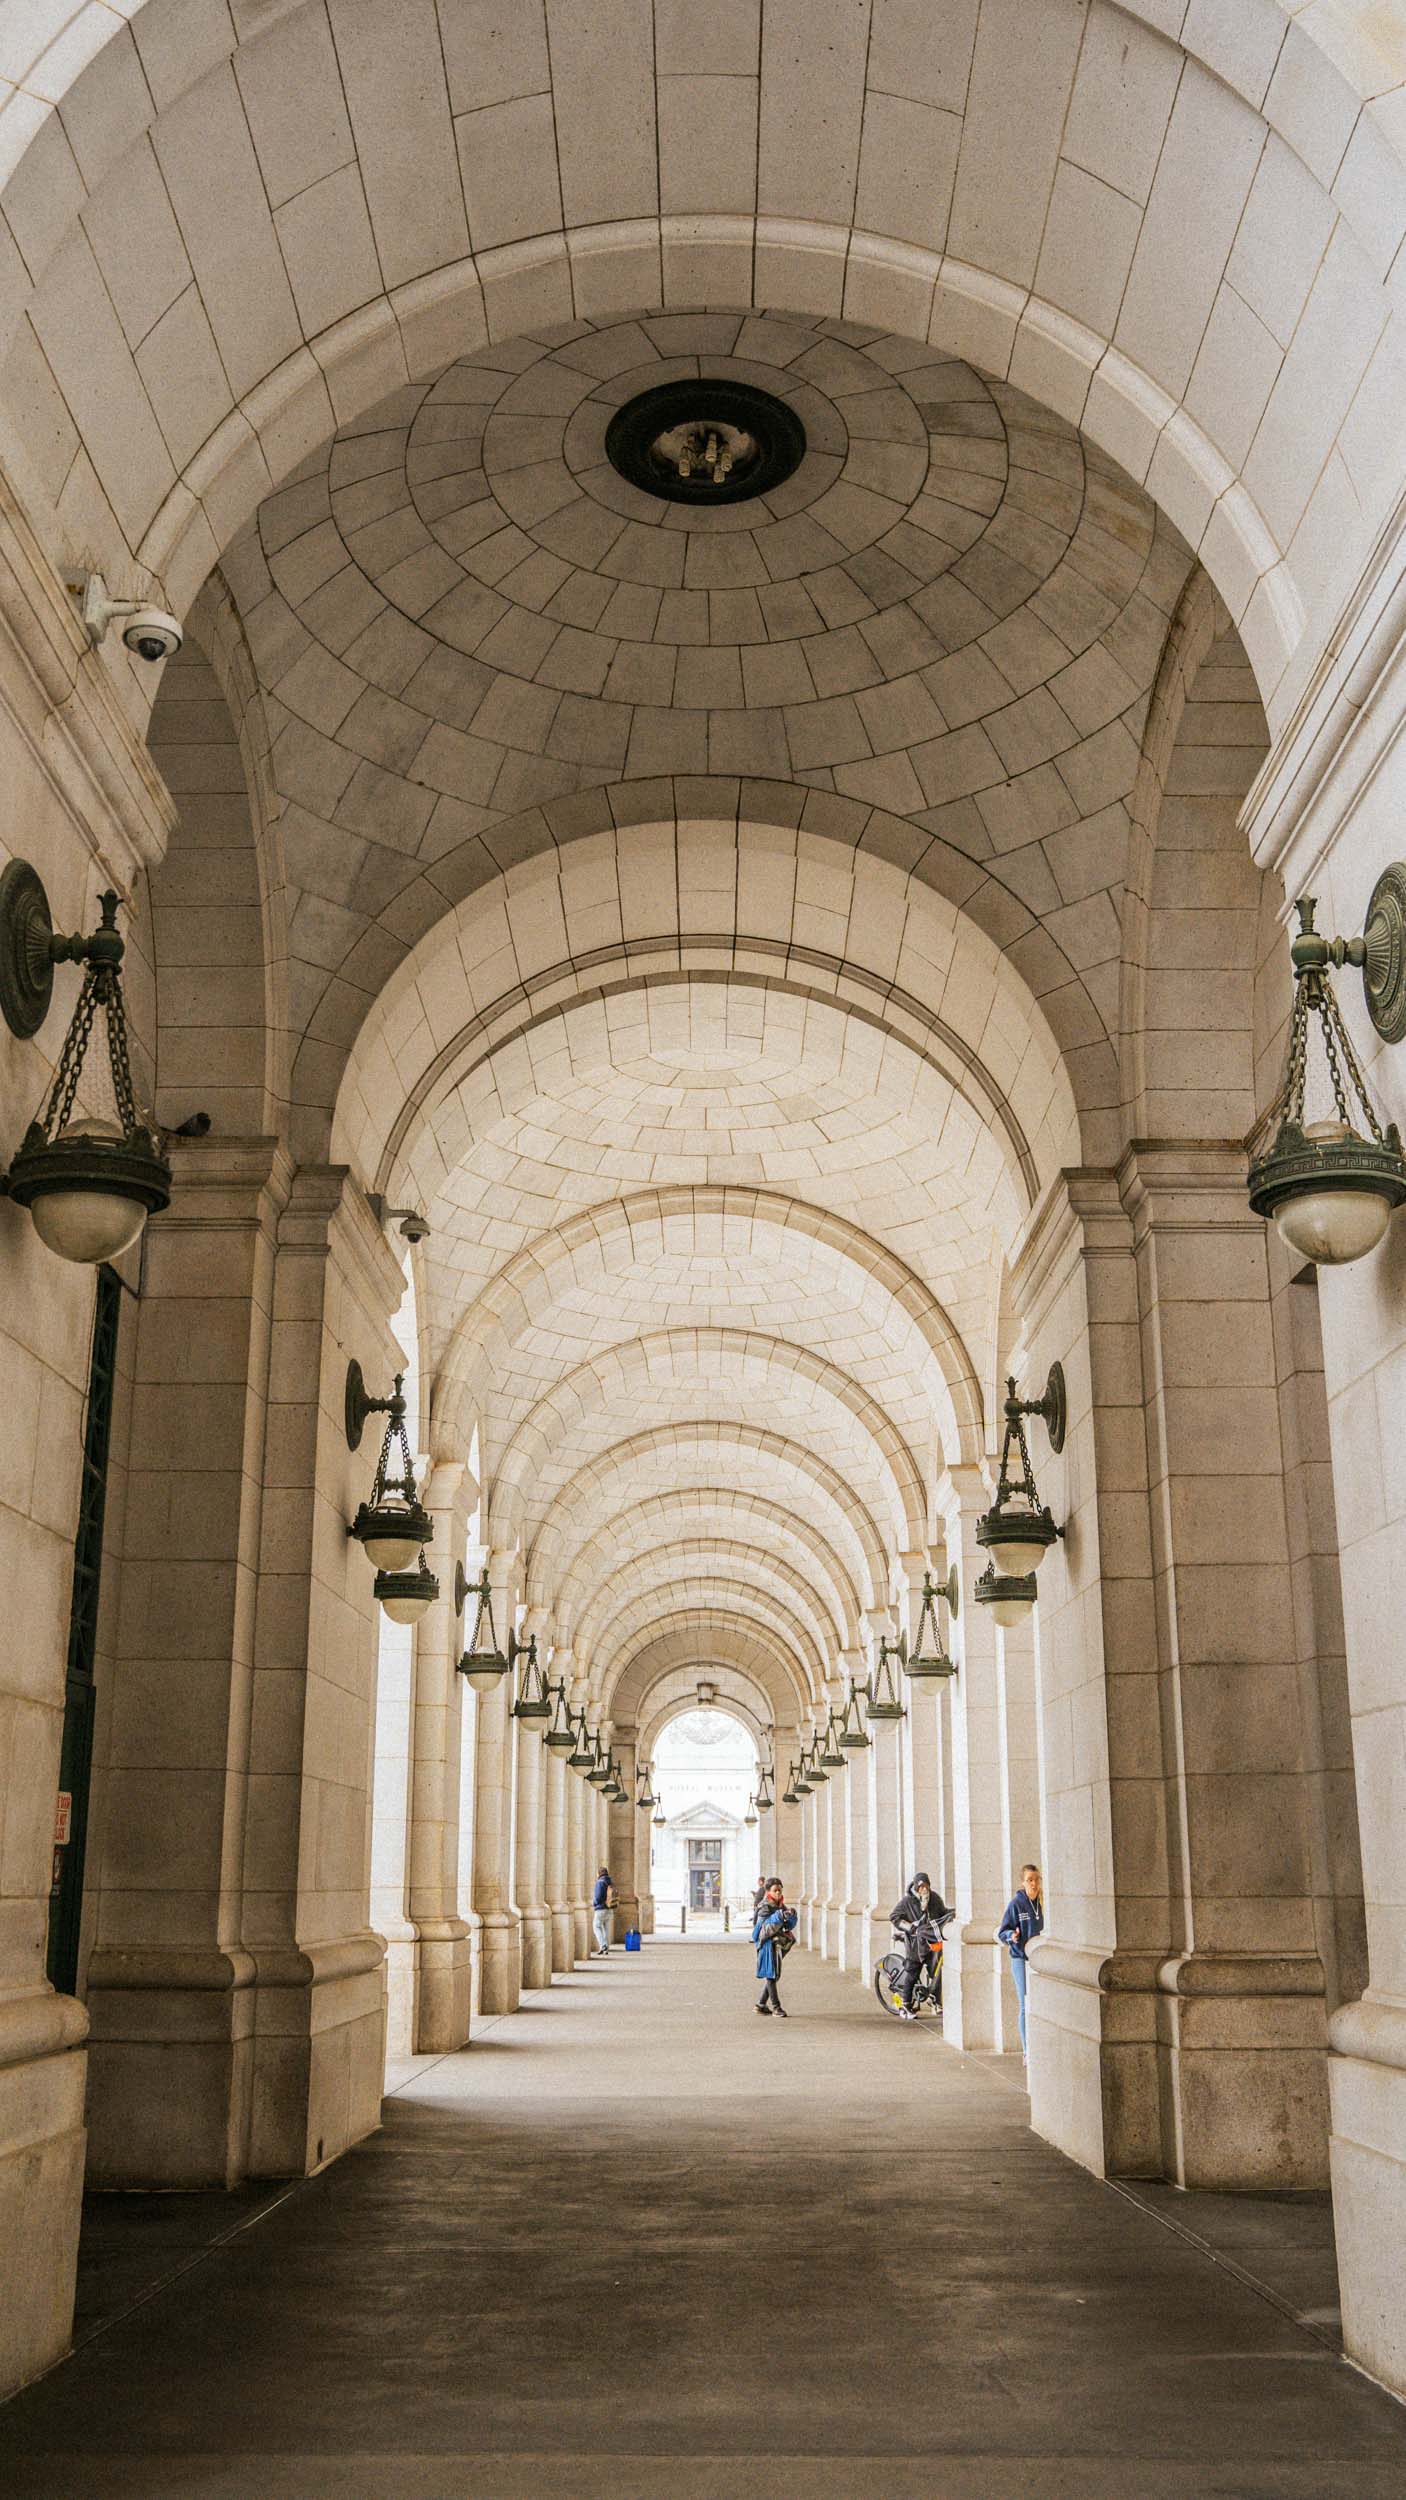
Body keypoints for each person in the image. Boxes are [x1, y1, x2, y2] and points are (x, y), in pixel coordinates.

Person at [997, 1863, 1044, 2058]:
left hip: (1039, 1960)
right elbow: (1002, 1932)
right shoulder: (1016, 1904)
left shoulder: (1043, 1903)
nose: (1033, 1884)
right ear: (1022, 1882)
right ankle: (1027, 2050)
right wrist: (1012, 1936)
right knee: (1025, 2003)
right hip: (1020, 1959)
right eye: (1029, 1880)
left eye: (1036, 1880)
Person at [888, 1871, 949, 2020]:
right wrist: (910, 1927)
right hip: (915, 1944)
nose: (924, 1889)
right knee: (912, 1973)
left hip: (931, 1944)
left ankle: (935, 2001)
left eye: (926, 1886)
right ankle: (905, 2005)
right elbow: (894, 1917)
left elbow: (942, 1913)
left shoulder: (934, 1899)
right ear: (916, 1887)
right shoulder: (907, 1901)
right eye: (920, 1886)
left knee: (936, 1971)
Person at [752, 1876, 797, 2017]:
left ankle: (761, 2004)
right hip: (766, 1944)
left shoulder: (780, 1905)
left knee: (774, 1974)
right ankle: (776, 2007)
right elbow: (759, 1932)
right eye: (775, 1890)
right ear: (768, 1892)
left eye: (780, 1890)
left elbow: (786, 1925)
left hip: (777, 1944)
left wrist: (790, 1917)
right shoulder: (764, 1907)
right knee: (771, 1975)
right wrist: (779, 1917)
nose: (778, 1893)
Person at [592, 1866, 615, 1957]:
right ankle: (605, 1947)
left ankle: (603, 1945)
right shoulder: (610, 1881)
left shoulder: (600, 1882)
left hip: (600, 1908)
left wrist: (594, 1903)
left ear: (599, 1873)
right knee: (605, 1928)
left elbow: (598, 1897)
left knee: (596, 1927)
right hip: (609, 1908)